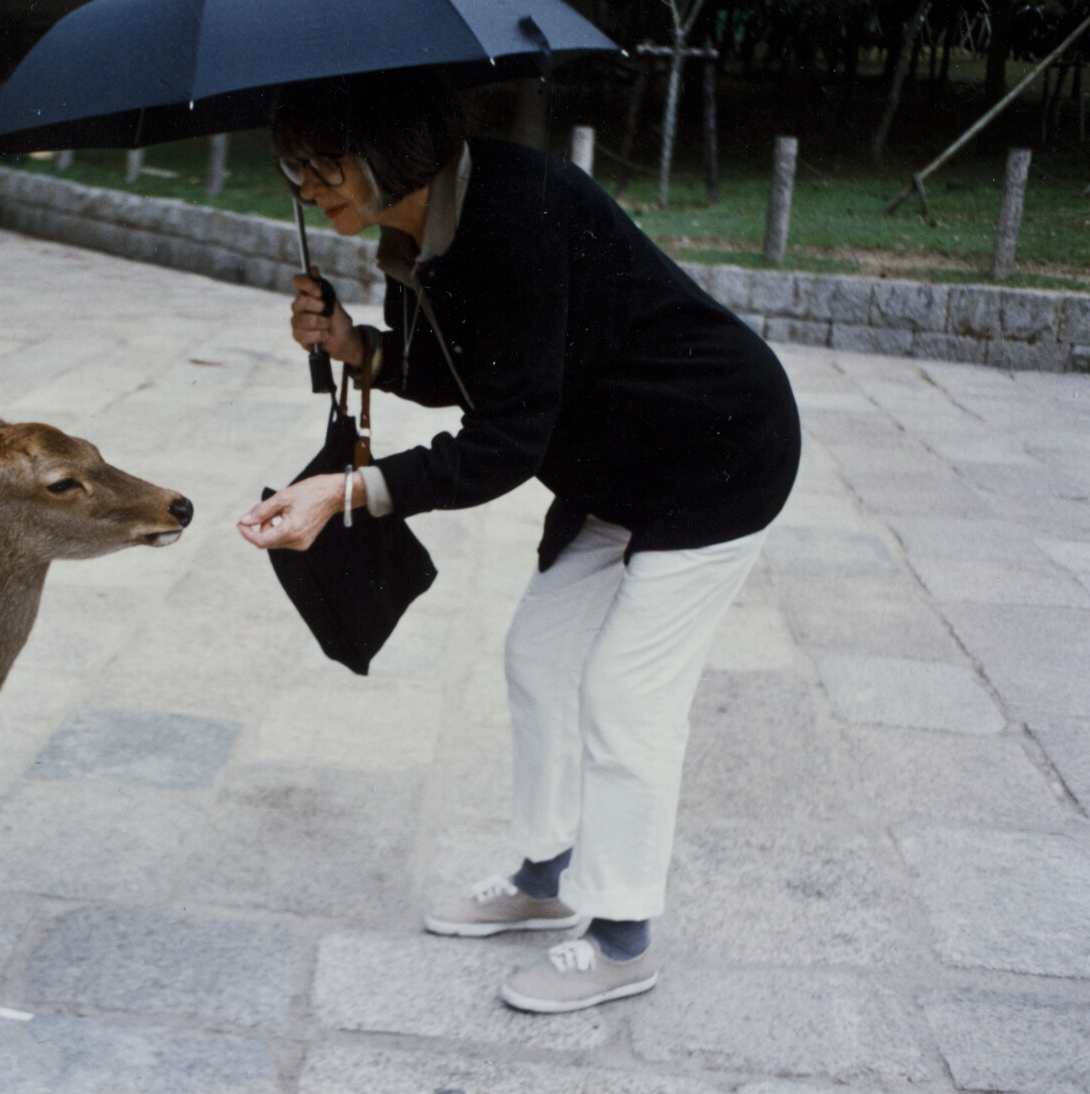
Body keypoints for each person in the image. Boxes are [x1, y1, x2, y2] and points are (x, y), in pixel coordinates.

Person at [237, 72, 801, 1014]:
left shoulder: (521, 210)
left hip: (718, 452)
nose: (309, 188)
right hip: (616, 465)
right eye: (297, 170)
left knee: (627, 693)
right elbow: (467, 372)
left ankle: (623, 938)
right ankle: (545, 880)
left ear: (389, 150)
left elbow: (503, 443)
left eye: (323, 165)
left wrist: (344, 494)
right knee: (539, 654)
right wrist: (356, 346)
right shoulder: (412, 233)